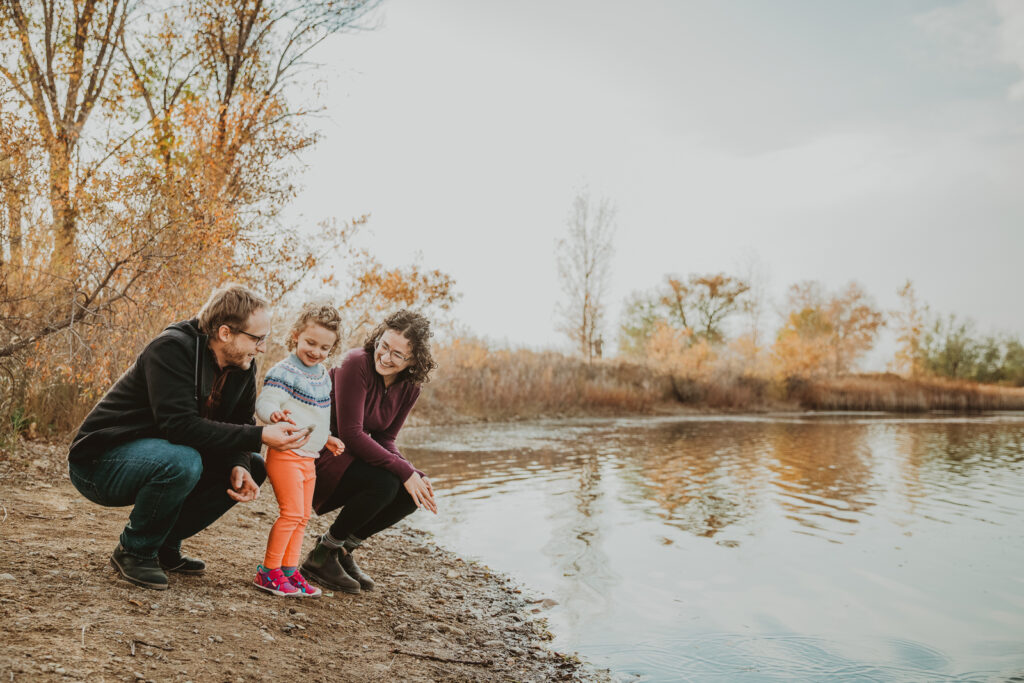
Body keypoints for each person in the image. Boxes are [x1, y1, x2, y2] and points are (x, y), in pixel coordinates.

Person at [67, 284, 311, 590]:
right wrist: (262, 434)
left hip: (160, 455)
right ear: (225, 333)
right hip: (100, 462)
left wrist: (238, 463)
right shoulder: (172, 348)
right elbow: (179, 426)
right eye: (257, 338)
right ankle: (134, 551)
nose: (262, 347)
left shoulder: (242, 365)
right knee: (183, 460)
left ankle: (164, 545)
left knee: (254, 465)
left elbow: (240, 422)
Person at [302, 309, 438, 594]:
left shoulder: (411, 386)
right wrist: (402, 470)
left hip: (349, 458)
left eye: (398, 355)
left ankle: (340, 551)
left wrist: (412, 473)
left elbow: (387, 437)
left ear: (413, 360)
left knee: (412, 490)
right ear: (377, 338)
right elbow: (352, 434)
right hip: (322, 452)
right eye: (384, 346)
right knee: (388, 480)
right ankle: (320, 556)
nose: (385, 357)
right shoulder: (355, 363)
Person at [251, 303, 345, 597]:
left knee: (303, 517)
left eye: (324, 347)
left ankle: (290, 572)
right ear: (295, 336)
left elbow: (316, 415)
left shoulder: (323, 376)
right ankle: (268, 572)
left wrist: (327, 437)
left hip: (309, 458)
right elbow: (265, 402)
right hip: (285, 454)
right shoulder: (284, 371)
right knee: (291, 513)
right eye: (310, 343)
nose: (316, 351)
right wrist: (272, 415)